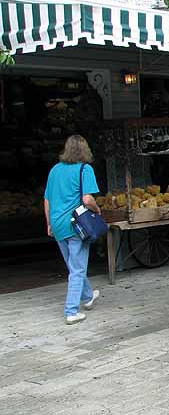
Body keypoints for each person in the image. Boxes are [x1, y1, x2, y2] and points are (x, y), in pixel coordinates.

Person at [44, 135, 101, 325]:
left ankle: (87, 297)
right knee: (77, 268)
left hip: (58, 224)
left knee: (73, 265)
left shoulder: (54, 170)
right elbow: (87, 199)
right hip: (77, 225)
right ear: (85, 150)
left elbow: (47, 200)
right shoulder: (85, 169)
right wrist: (97, 209)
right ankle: (71, 311)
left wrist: (49, 223)